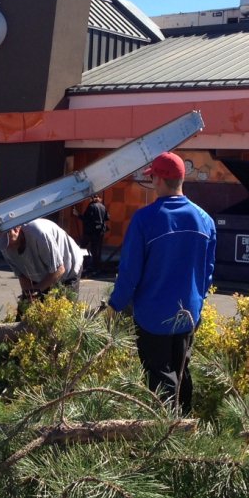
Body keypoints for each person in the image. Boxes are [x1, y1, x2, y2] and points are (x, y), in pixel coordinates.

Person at [107, 152, 217, 414]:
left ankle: (165, 433)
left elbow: (129, 271)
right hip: (188, 314)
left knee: (159, 376)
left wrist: (115, 305)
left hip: (152, 315)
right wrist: (198, 306)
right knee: (182, 370)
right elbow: (207, 273)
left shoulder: (145, 219)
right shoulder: (205, 220)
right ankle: (186, 426)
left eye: (153, 176)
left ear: (158, 179)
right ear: (181, 178)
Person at [0, 218, 86, 310]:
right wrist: (28, 295)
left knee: (62, 311)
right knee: (28, 308)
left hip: (68, 268)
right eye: (4, 244)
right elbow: (22, 275)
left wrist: (36, 291)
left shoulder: (39, 234)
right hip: (42, 272)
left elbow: (59, 269)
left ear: (16, 229)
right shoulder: (5, 247)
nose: (8, 247)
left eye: (8, 242)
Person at [75, 194, 109, 276]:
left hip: (90, 231)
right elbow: (107, 217)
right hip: (100, 231)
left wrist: (78, 215)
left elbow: (86, 219)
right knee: (95, 250)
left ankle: (81, 265)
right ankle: (95, 267)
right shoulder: (102, 206)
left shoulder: (91, 206)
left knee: (83, 247)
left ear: (92, 198)